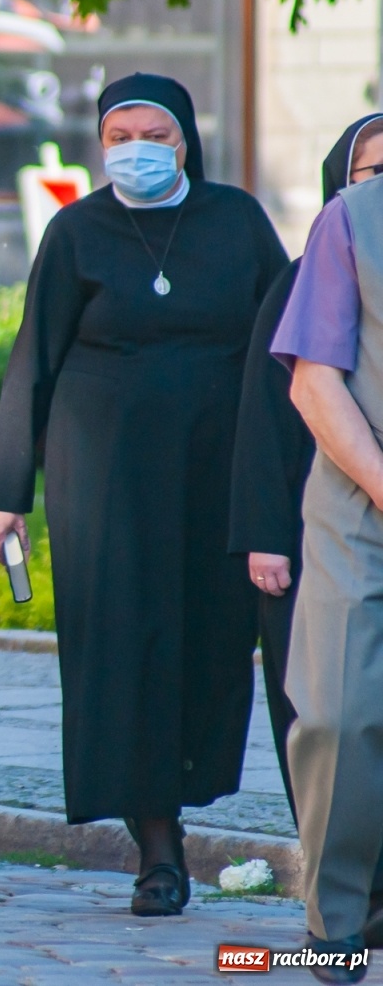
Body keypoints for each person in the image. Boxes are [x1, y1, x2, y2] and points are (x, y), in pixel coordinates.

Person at [0, 73, 288, 918]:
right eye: (120, 137)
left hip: (218, 466)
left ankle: (185, 795)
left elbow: (285, 344)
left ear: (185, 140)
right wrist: (6, 492)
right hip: (103, 474)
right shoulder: (77, 229)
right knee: (123, 649)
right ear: (101, 144)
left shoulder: (236, 220)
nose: (137, 151)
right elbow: (31, 358)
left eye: (155, 135)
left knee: (208, 642)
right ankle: (156, 849)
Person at [229, 115, 383, 827]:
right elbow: (269, 419)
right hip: (315, 526)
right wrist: (266, 535)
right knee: (326, 710)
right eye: (372, 174)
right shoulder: (300, 280)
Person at [269, 127, 383, 983]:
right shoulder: (353, 221)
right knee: (340, 715)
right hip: (360, 501)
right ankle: (334, 920)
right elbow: (314, 379)